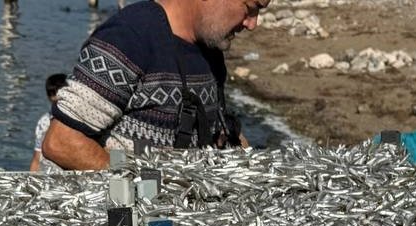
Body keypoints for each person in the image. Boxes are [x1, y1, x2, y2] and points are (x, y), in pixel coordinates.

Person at [41, 0, 266, 171]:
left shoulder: (211, 51)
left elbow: (219, 130)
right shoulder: (129, 36)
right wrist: (145, 187)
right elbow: (61, 142)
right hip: (131, 220)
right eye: (250, 7)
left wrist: (258, 168)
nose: (253, 24)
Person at [30, 73, 69, 173]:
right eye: (51, 93)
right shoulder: (44, 122)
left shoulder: (78, 119)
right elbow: (37, 157)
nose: (54, 97)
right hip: (48, 174)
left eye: (57, 92)